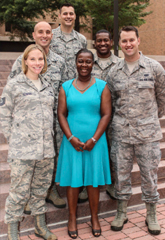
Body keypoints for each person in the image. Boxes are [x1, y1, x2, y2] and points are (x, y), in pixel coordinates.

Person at [106, 26, 165, 235]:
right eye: (124, 41)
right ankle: (121, 212)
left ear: (138, 40)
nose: (128, 44)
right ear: (119, 44)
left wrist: (148, 119)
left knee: (149, 175)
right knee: (121, 175)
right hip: (122, 133)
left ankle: (151, 214)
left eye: (131, 40)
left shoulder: (154, 67)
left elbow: (162, 98)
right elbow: (111, 102)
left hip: (147, 134)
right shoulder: (114, 72)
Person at [0, 44, 57, 240]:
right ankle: (13, 233)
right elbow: (4, 115)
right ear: (25, 61)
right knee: (18, 192)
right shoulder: (15, 84)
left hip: (46, 150)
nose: (37, 63)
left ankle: (40, 227)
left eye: (40, 59)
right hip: (22, 151)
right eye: (32, 59)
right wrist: (14, 139)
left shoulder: (48, 85)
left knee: (40, 189)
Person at [8, 21, 67, 210]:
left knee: (51, 158)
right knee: (30, 161)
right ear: (33, 35)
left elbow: (65, 90)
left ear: (52, 35)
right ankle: (27, 196)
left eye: (48, 32)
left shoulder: (59, 61)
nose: (44, 35)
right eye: (40, 32)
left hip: (54, 121)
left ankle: (49, 189)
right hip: (30, 123)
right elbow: (13, 90)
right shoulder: (21, 60)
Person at [55, 49, 112, 238]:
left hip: (95, 142)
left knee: (93, 183)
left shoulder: (102, 86)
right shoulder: (66, 86)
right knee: (73, 181)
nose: (84, 65)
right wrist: (71, 138)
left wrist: (94, 139)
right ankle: (71, 218)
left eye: (88, 61)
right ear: (75, 63)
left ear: (93, 63)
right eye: (81, 61)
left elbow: (106, 114)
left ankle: (94, 218)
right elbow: (61, 113)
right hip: (72, 142)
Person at [78, 29, 120, 203]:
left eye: (106, 40)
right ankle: (87, 186)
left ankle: (112, 184)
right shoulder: (87, 62)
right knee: (89, 151)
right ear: (94, 43)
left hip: (116, 116)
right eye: (99, 41)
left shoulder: (119, 63)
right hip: (92, 118)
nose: (102, 43)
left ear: (111, 42)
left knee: (115, 152)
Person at [50, 3, 87, 80]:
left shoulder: (81, 39)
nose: (68, 16)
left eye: (71, 14)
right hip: (55, 84)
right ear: (59, 16)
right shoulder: (50, 37)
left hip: (75, 86)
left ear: (75, 16)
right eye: (65, 14)